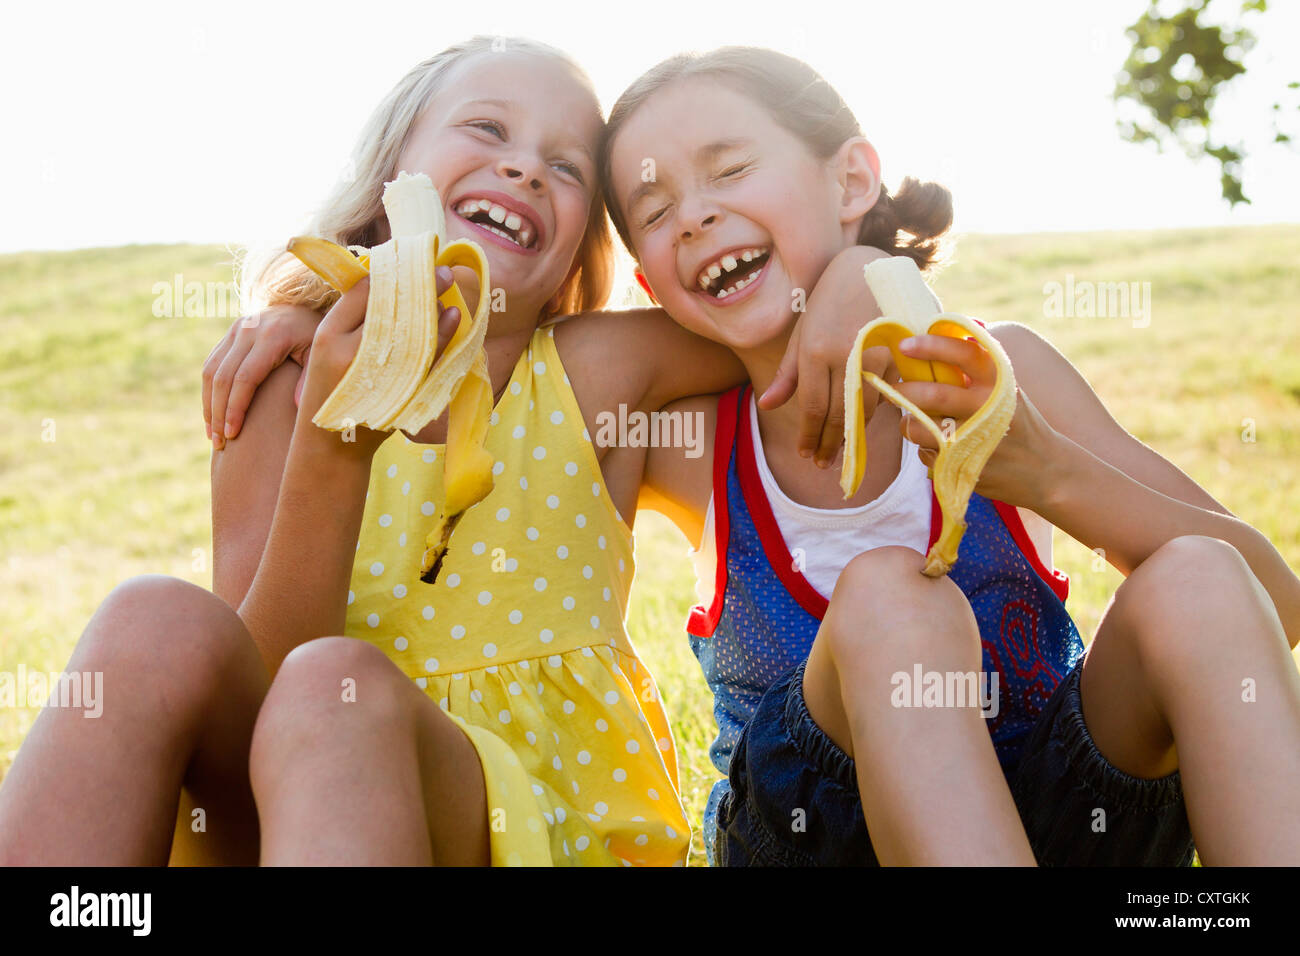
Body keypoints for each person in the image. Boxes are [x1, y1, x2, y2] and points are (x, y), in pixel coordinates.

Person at [0, 36, 877, 866]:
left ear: (580, 247)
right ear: (392, 176)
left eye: (565, 166)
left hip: (531, 820)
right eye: (488, 129)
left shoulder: (598, 373)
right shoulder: (283, 384)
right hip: (290, 792)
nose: (525, 166)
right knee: (157, 621)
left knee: (338, 689)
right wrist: (333, 440)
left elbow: (764, 304)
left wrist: (852, 278)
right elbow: (255, 688)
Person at [598, 46, 1300, 865]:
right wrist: (857, 269)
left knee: (1198, 576)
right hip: (812, 837)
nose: (692, 216)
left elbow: (1271, 600)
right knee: (893, 598)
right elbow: (547, 363)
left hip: (1058, 816)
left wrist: (1048, 472)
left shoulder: (1003, 375)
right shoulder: (691, 440)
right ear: (649, 286)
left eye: (731, 168)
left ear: (852, 181)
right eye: (653, 211)